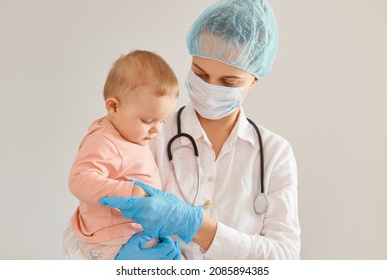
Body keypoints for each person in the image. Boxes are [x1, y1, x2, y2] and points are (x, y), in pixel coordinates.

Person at [64, 0, 301, 260]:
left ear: (254, 78)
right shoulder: (146, 135)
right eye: (200, 73)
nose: (211, 87)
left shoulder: (274, 153)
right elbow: (81, 232)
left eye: (228, 81)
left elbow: (285, 257)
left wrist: (195, 225)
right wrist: (117, 263)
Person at [64, 50, 181, 260]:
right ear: (114, 106)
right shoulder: (105, 141)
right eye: (147, 121)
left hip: (130, 236)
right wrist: (129, 191)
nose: (157, 130)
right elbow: (78, 180)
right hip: (113, 242)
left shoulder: (130, 136)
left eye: (162, 121)